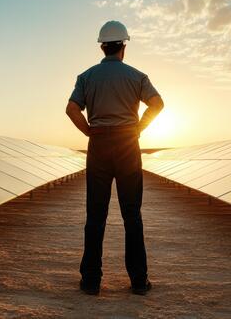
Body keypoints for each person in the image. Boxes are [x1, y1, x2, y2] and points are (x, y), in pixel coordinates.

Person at [65, 20, 164, 296]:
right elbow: (158, 103)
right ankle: (139, 281)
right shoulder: (137, 76)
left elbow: (72, 109)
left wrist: (90, 132)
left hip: (99, 145)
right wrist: (138, 129)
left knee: (95, 216)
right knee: (132, 215)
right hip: (127, 145)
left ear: (102, 46)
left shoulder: (86, 77)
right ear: (123, 47)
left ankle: (90, 282)